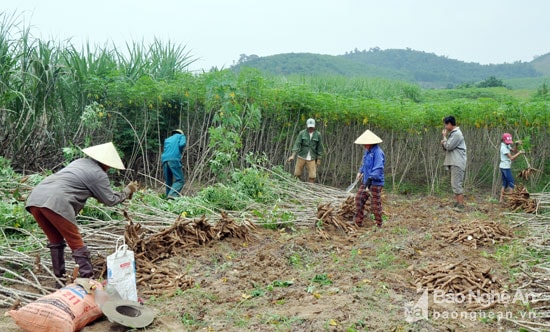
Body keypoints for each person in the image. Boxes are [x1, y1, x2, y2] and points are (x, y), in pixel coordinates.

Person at [25, 142, 137, 284]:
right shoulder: (99, 174)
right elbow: (110, 200)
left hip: (36, 198)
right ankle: (87, 279)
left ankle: (59, 280)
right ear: (106, 163)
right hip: (56, 202)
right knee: (75, 242)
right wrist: (127, 191)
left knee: (55, 240)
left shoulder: (80, 162)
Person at [353, 130, 385, 228]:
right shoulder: (367, 152)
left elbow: (379, 167)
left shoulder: (378, 152)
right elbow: (364, 164)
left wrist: (371, 178)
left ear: (371, 143)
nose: (364, 145)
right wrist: (360, 171)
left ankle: (379, 224)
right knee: (358, 199)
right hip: (366, 181)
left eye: (365, 143)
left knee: (375, 204)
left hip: (375, 182)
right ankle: (358, 221)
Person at [441, 116, 467, 210]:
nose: (445, 127)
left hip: (457, 162)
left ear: (450, 124)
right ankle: (457, 202)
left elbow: (449, 146)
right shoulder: (454, 134)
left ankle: (460, 205)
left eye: (445, 124)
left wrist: (444, 138)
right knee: (454, 183)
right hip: (455, 162)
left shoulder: (457, 134)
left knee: (456, 184)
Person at [287, 118, 324, 183]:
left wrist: (319, 159)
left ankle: (310, 187)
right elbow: (297, 144)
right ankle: (297, 185)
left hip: (312, 157)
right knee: (297, 173)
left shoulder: (318, 134)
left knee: (312, 176)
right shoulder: (302, 133)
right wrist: (292, 155)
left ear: (314, 126)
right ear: (307, 126)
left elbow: (320, 147)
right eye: (309, 127)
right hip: (302, 156)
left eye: (312, 127)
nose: (310, 129)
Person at [161, 129, 187, 199]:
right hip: (174, 159)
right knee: (180, 180)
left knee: (168, 182)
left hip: (164, 159)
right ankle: (172, 195)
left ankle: (167, 200)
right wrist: (180, 151)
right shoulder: (181, 136)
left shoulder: (167, 139)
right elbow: (182, 144)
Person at [499, 133, 524, 203]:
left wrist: (516, 144)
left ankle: (501, 199)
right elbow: (512, 158)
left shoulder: (506, 145)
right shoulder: (503, 148)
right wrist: (520, 153)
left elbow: (514, 151)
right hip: (505, 167)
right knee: (511, 183)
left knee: (505, 183)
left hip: (504, 166)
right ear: (503, 140)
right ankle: (510, 201)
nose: (508, 143)